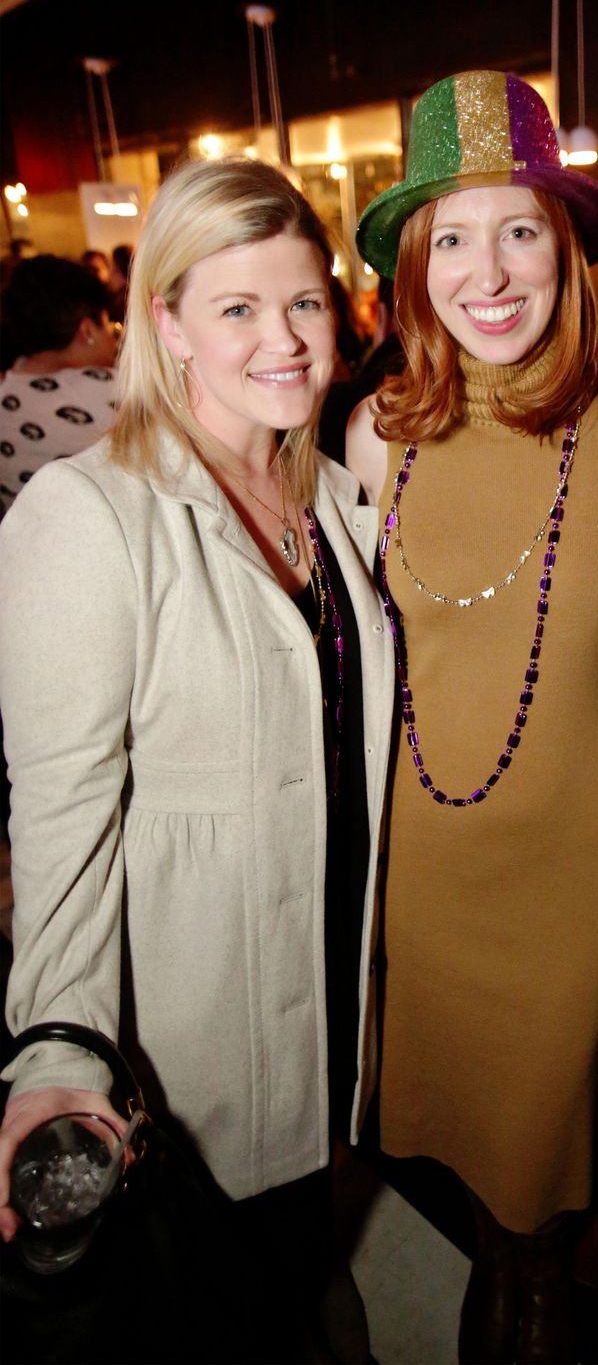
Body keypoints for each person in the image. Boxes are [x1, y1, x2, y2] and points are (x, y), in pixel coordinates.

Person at [0, 158, 394, 1363]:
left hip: (331, 996)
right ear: (164, 323)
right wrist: (58, 1051)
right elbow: (61, 816)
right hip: (196, 1030)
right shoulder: (88, 515)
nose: (283, 340)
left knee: (294, 1281)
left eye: (306, 303)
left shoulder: (336, 497)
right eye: (236, 309)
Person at [347, 70, 598, 1365]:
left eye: (521, 227)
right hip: (424, 875)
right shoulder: (370, 434)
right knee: (470, 1189)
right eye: (450, 238)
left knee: (539, 1215)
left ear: (565, 249)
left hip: (572, 883)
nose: (490, 269)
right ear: (414, 270)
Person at [0, 254, 119, 509]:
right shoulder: (110, 390)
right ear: (87, 330)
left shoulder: (7, 390)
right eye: (108, 325)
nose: (113, 338)